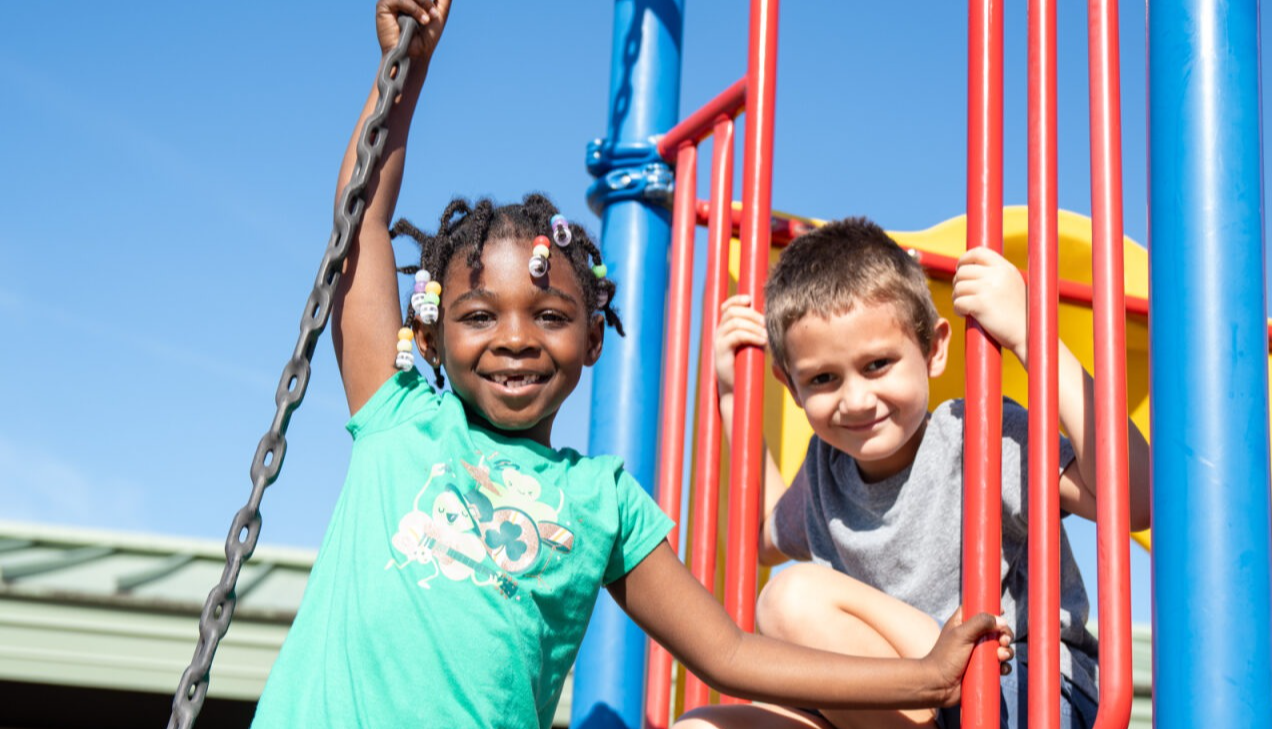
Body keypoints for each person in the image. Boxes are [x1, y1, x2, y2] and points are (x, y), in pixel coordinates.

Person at [249, 4, 1015, 727]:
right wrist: (405, 67)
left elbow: (729, 651)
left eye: (550, 316)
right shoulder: (400, 414)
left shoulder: (602, 500)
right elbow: (363, 226)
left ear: (591, 338)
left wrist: (924, 677)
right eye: (479, 316)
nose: (515, 338)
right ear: (436, 332)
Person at [677, 217, 1152, 729]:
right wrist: (733, 397)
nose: (856, 399)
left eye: (878, 364)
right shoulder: (825, 471)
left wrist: (1030, 333)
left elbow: (1133, 499)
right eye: (823, 378)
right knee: (701, 726)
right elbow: (763, 536)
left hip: (1017, 689)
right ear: (790, 387)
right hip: (896, 704)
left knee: (791, 600)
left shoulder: (976, 438)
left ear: (934, 349)